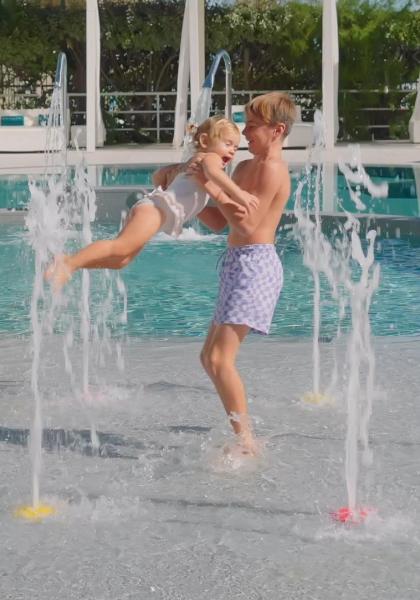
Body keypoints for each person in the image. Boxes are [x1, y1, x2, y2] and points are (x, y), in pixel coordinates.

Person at [190, 92, 297, 456]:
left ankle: (246, 442)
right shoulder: (243, 168)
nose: (245, 131)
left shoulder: (273, 169)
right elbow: (222, 222)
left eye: (253, 125)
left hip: (257, 266)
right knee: (209, 358)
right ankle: (243, 434)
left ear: (277, 130)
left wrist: (209, 183)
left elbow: (249, 224)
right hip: (236, 264)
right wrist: (190, 198)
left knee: (221, 360)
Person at [45, 115, 258, 289]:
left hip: (153, 210)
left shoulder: (193, 165)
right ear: (204, 141)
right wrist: (240, 195)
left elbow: (158, 178)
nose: (232, 150)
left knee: (121, 260)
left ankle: (74, 263)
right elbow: (214, 173)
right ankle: (68, 263)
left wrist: (178, 178)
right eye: (228, 144)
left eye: (236, 147)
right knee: (120, 247)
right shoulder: (210, 158)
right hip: (154, 211)